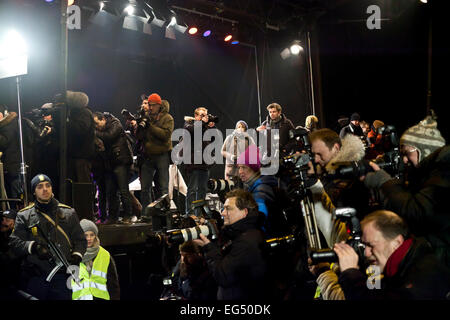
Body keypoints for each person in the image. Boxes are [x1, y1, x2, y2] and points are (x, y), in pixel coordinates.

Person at [362, 113, 449, 267]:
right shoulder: (425, 175)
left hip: (438, 262)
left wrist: (385, 183)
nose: (404, 160)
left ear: (425, 150)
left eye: (407, 153)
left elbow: (418, 212)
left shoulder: (444, 173)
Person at [335, 210, 450, 299]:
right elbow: (375, 292)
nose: (366, 252)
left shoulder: (423, 276)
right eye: (364, 246)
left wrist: (350, 274)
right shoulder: (400, 264)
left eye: (371, 245)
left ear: (396, 243)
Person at [9, 174, 86, 300]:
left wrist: (77, 255)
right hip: (36, 276)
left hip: (62, 276)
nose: (45, 189)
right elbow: (14, 242)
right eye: (40, 187)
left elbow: (80, 240)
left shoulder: (68, 213)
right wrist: (33, 247)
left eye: (47, 185)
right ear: (34, 191)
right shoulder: (25, 215)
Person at [193, 189, 268, 300]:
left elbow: (223, 275)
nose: (223, 213)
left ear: (244, 212)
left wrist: (209, 248)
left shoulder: (247, 241)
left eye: (228, 209)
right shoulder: (238, 235)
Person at [309, 128, 371, 220]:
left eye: (319, 154)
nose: (316, 159)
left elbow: (329, 208)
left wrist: (311, 182)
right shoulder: (325, 172)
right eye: (313, 154)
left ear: (336, 148)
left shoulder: (351, 172)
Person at [237, 145, 290, 237]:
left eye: (244, 167)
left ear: (254, 168)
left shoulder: (261, 190)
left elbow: (259, 219)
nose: (240, 172)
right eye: (239, 167)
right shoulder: (258, 185)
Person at [135, 94, 174, 215]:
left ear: (159, 105)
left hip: (162, 155)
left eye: (152, 105)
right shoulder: (146, 118)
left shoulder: (167, 118)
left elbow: (165, 136)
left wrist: (149, 126)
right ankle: (146, 215)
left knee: (163, 187)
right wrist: (139, 126)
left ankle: (165, 214)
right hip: (148, 156)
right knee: (145, 188)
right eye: (149, 105)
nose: (150, 108)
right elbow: (139, 137)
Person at [93, 112, 134, 224]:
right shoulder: (103, 129)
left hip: (121, 161)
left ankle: (128, 215)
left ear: (103, 119)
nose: (96, 127)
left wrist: (94, 132)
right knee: (111, 192)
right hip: (111, 163)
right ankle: (113, 217)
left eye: (97, 123)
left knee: (123, 190)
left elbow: (109, 136)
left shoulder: (115, 123)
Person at [71, 219, 120, 300]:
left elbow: (113, 284)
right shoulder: (72, 254)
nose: (89, 238)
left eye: (92, 235)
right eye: (85, 235)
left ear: (96, 236)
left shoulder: (105, 255)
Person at [182, 107, 216, 216]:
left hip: (204, 163)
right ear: (196, 116)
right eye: (201, 115)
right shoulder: (189, 125)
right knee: (192, 189)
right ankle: (189, 214)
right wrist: (203, 124)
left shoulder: (204, 127)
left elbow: (213, 139)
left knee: (202, 191)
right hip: (193, 163)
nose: (204, 118)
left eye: (205, 115)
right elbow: (192, 131)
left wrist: (212, 127)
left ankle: (199, 215)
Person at [0, 209, 21, 299]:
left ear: (15, 222)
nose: (3, 222)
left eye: (7, 220)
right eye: (2, 219)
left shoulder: (19, 237)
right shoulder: (2, 235)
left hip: (15, 281)